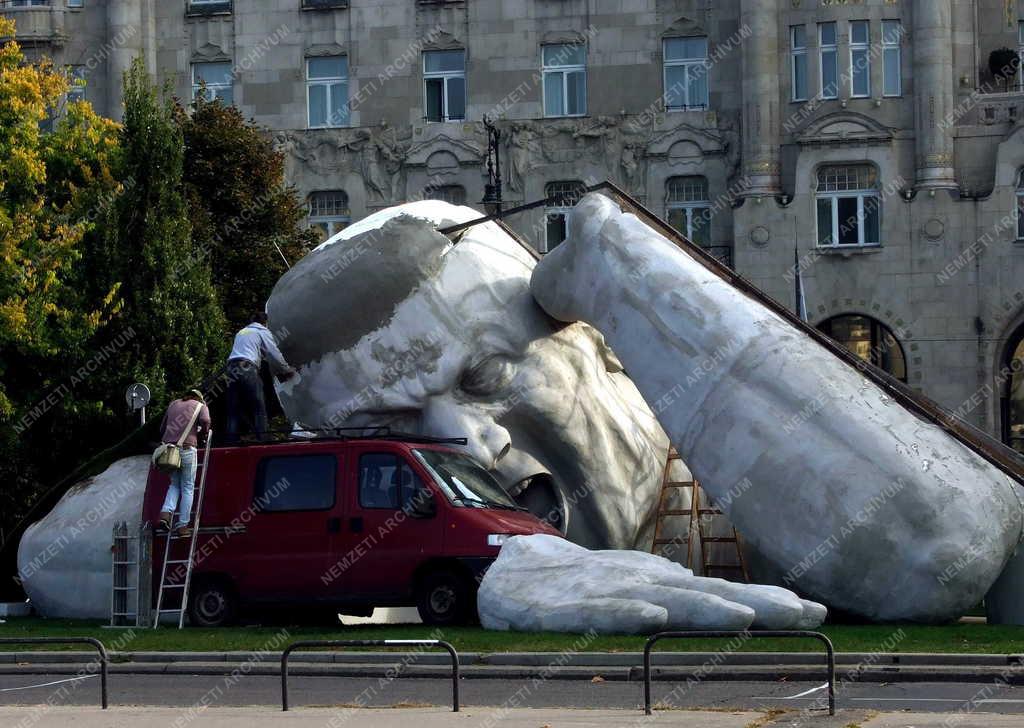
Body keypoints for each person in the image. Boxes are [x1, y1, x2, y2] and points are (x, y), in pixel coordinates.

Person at [225, 312, 295, 444]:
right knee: (258, 406)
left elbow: (248, 349)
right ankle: (262, 439)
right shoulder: (262, 331)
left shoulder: (242, 332)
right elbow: (274, 353)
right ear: (265, 323)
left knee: (233, 408)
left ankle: (231, 441)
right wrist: (286, 369)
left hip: (230, 368)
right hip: (246, 366)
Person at [158, 389, 211, 534]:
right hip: (187, 449)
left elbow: (162, 428)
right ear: (199, 398)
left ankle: (165, 514)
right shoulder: (201, 406)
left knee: (174, 484)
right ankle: (182, 526)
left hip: (170, 451)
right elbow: (206, 421)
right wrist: (202, 434)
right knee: (187, 487)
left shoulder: (173, 404)